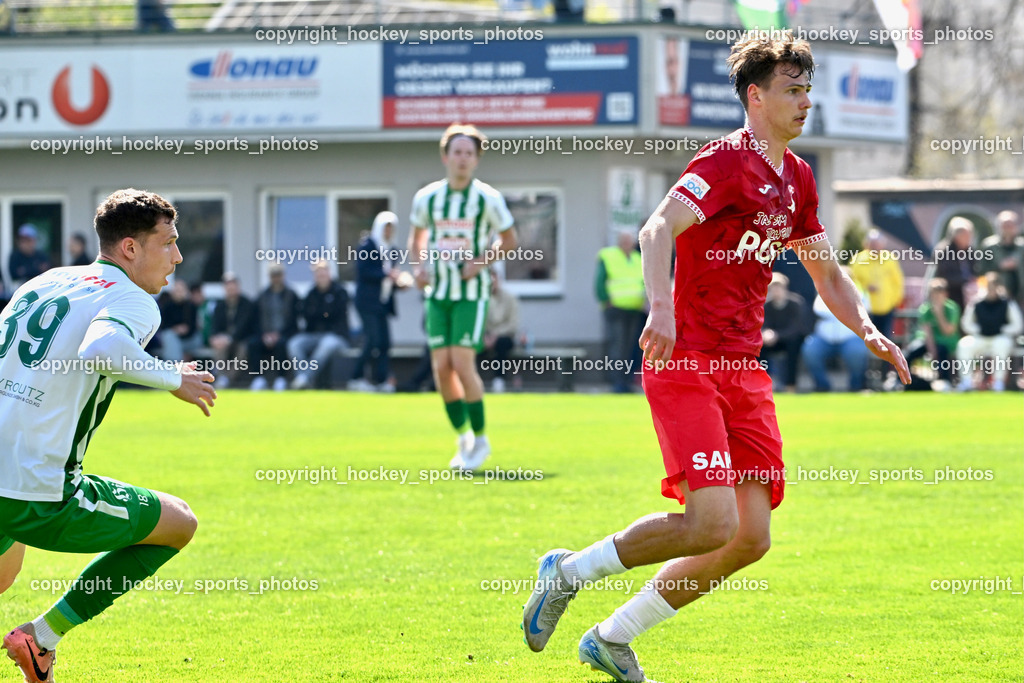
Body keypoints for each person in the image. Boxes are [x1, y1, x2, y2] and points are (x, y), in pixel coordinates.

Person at [521, 31, 909, 682]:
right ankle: (567, 571)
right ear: (755, 97)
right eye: (792, 90)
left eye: (808, 89)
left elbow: (826, 271)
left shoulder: (799, 178)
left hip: (743, 369)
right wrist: (661, 307)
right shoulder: (725, 162)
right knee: (710, 522)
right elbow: (656, 229)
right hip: (686, 360)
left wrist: (867, 327)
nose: (805, 101)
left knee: (749, 537)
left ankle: (612, 637)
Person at [0, 188, 215, 683]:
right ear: (131, 248)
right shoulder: (132, 299)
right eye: (168, 242)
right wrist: (173, 378)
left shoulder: (47, 281)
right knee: (179, 523)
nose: (178, 257)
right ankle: (41, 637)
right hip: (39, 491)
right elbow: (102, 348)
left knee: (4, 574)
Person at [409, 123, 518, 472]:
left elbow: (509, 240)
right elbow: (417, 239)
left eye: (469, 153)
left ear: (476, 160)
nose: (462, 158)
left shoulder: (487, 198)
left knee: (461, 363)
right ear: (445, 156)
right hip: (437, 293)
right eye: (456, 152)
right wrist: (418, 269)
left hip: (471, 294)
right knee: (441, 369)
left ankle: (481, 439)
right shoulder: (427, 198)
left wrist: (480, 262)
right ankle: (463, 437)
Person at [350, 211, 405, 392]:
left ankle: (382, 380)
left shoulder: (393, 250)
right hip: (367, 302)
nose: (388, 232)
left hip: (383, 303)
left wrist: (400, 284)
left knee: (384, 343)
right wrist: (387, 274)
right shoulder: (367, 246)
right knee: (372, 339)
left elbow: (389, 280)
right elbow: (364, 272)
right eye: (386, 228)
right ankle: (356, 377)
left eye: (391, 228)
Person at [596, 230, 646, 393]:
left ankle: (626, 381)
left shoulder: (638, 258)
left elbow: (643, 281)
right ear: (619, 242)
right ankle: (617, 382)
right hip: (615, 309)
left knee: (629, 347)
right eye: (624, 240)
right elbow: (599, 282)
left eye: (629, 240)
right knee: (617, 346)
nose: (627, 244)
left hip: (634, 309)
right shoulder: (609, 256)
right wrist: (606, 300)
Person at [288, 261, 351, 390]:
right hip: (315, 335)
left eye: (323, 271)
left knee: (326, 345)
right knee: (294, 344)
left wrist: (320, 313)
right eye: (317, 272)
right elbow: (306, 315)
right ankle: (302, 379)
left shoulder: (339, 292)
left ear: (329, 272)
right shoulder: (311, 294)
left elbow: (333, 314)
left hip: (337, 336)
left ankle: (305, 378)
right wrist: (322, 313)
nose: (321, 275)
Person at [956, 273, 1023, 392]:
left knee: (1002, 345)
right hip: (980, 337)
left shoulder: (1007, 302)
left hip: (1000, 337)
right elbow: (966, 323)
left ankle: (998, 382)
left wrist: (1002, 329)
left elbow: (1017, 325)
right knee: (964, 345)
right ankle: (966, 382)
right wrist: (979, 329)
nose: (992, 289)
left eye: (994, 286)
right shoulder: (977, 302)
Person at [801, 284, 872, 392]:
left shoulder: (858, 293)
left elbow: (863, 310)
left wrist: (836, 308)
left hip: (850, 338)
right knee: (810, 349)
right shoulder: (824, 291)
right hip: (824, 338)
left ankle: (856, 385)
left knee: (857, 351)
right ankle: (822, 386)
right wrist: (844, 309)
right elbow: (819, 309)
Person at [248, 263, 299, 392]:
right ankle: (258, 378)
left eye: (278, 275)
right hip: (265, 334)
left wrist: (279, 334)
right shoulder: (262, 296)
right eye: (273, 275)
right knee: (253, 343)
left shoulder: (291, 295)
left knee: (282, 344)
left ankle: (281, 379)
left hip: (285, 334)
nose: (276, 278)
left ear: (283, 276)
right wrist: (264, 335)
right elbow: (255, 321)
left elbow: (294, 321)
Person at [903, 278, 960, 387]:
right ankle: (903, 381)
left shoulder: (952, 308)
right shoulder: (926, 309)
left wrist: (939, 314)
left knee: (942, 351)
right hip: (929, 342)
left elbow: (948, 331)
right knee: (909, 353)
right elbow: (927, 333)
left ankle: (944, 381)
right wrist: (932, 351)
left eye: (939, 294)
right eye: (934, 294)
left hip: (947, 343)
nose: (936, 297)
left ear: (945, 294)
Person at [759, 271, 809, 392]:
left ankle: (790, 384)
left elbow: (796, 328)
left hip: (791, 340)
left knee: (793, 349)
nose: (776, 291)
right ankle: (763, 382)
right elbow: (762, 323)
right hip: (772, 341)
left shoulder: (796, 303)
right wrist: (766, 333)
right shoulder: (766, 305)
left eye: (779, 287)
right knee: (759, 348)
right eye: (773, 288)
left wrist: (777, 335)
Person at [849, 229, 904, 338]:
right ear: (866, 245)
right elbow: (852, 282)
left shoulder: (890, 259)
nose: (874, 247)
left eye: (877, 244)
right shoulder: (857, 260)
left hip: (887, 307)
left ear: (882, 245)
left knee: (886, 338)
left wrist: (895, 301)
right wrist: (865, 288)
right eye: (872, 244)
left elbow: (898, 281)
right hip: (866, 309)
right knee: (867, 338)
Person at [208, 272, 256, 388]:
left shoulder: (247, 304)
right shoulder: (220, 306)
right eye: (227, 286)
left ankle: (228, 378)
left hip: (242, 338)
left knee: (242, 349)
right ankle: (222, 376)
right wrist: (214, 337)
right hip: (224, 340)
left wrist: (229, 338)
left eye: (233, 285)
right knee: (219, 347)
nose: (230, 288)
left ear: (238, 286)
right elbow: (215, 325)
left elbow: (244, 326)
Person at [479, 268, 520, 393]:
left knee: (502, 344)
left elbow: (513, 324)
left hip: (503, 336)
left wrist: (495, 335)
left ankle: (499, 380)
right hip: (485, 337)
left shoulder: (510, 298)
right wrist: (485, 336)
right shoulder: (481, 298)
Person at [978, 210, 1024, 309]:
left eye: (1010, 225)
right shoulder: (989, 246)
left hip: (1021, 296)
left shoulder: (1022, 247)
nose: (1008, 229)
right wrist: (1000, 266)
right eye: (1005, 225)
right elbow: (981, 271)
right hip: (997, 297)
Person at [934, 217, 978, 314]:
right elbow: (943, 276)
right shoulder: (943, 251)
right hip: (949, 295)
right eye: (966, 236)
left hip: (969, 294)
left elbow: (975, 269)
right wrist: (965, 280)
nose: (969, 239)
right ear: (956, 236)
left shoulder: (969, 251)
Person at [155, 278, 197, 362]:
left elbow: (194, 326)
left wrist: (186, 330)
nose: (179, 293)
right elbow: (163, 326)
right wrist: (175, 329)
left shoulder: (191, 307)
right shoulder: (167, 307)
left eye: (181, 290)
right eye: (177, 291)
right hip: (173, 339)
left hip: (190, 339)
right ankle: (175, 365)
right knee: (169, 336)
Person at [8, 224, 50, 289]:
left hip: (39, 287)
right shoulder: (15, 256)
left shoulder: (41, 255)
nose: (24, 243)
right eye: (22, 240)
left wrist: (25, 271)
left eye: (28, 240)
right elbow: (14, 275)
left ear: (34, 241)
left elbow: (46, 273)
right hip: (20, 288)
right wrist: (35, 269)